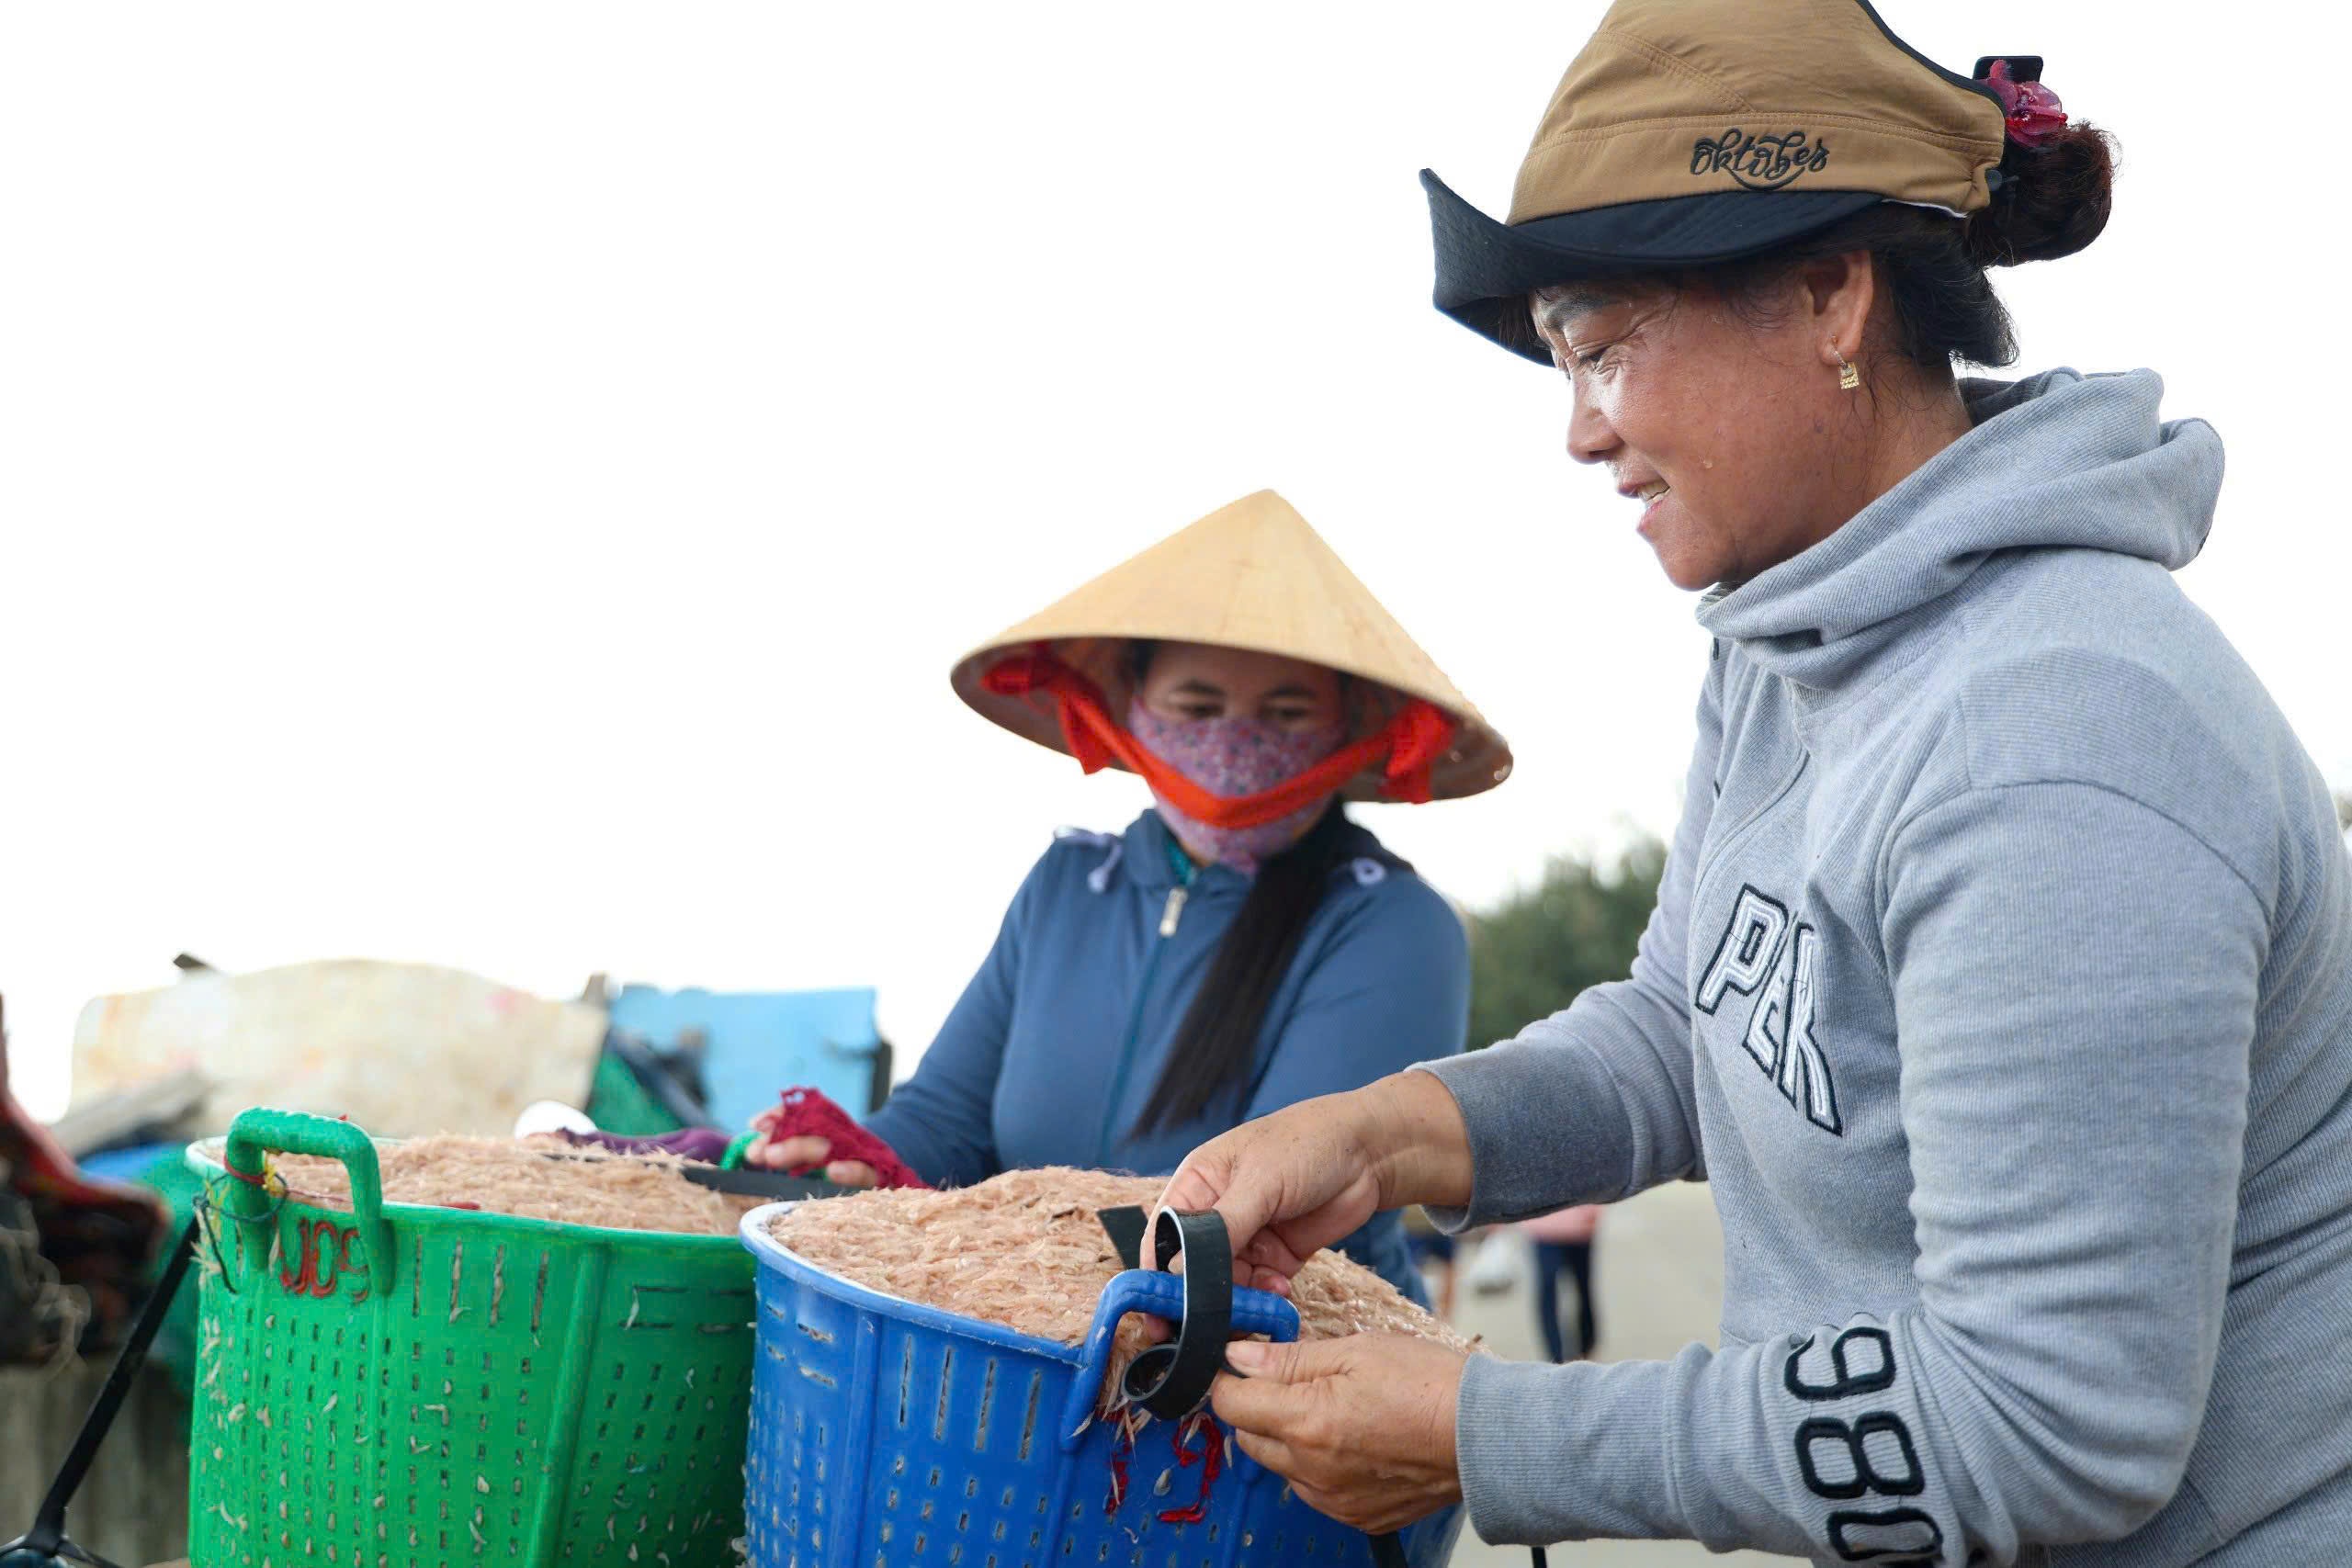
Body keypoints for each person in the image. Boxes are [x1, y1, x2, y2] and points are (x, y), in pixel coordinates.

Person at [1157, 5, 2352, 1561]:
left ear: (1829, 294)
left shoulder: (2065, 732)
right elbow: (1695, 1029)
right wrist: (1393, 1131)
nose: (1581, 431)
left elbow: (2049, 1420)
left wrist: (1479, 1429)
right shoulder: (1794, 640)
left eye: (1599, 345)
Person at [750, 489, 1510, 1303]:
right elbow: (944, 1122)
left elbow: (1273, 1214)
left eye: (1284, 712)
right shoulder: (1067, 887)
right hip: (1021, 1330)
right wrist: (851, 1156)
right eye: (1198, 706)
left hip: (1278, 1366)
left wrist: (996, 1233)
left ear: (1348, 730)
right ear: (1131, 711)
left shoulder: (1391, 924)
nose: (1233, 743)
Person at [1518, 1203, 1601, 1363]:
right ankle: (1555, 1358)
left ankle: (1586, 1348)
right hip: (1543, 1230)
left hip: (1581, 1229)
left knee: (1583, 1289)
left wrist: (1593, 1208)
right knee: (1547, 1293)